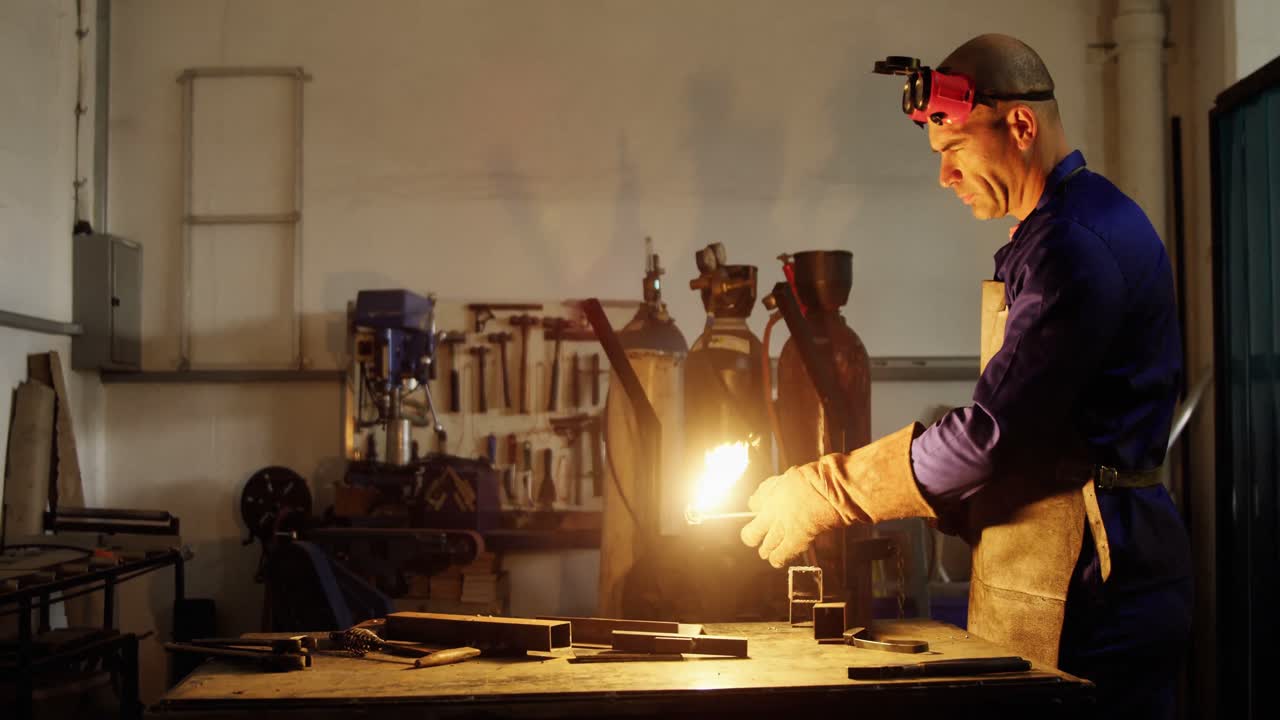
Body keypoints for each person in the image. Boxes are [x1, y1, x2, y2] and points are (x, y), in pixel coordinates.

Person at [740, 34, 1192, 717]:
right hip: (1089, 562)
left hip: (1093, 584)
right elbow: (1044, 430)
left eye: (952, 151)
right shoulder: (1069, 226)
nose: (944, 177)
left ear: (1019, 124)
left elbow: (992, 435)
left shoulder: (1073, 245)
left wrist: (828, 492)